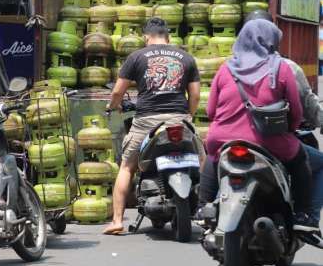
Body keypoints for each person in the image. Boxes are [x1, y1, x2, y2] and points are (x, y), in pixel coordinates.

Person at [197, 19, 318, 232]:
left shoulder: (226, 68)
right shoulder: (281, 68)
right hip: (269, 140)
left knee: (213, 157)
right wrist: (290, 129)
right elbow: (297, 111)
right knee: (301, 160)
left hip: (223, 138)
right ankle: (303, 215)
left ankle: (202, 207)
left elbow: (210, 111)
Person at [104, 17, 201, 235]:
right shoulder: (186, 57)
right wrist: (189, 116)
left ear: (146, 37)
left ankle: (117, 221)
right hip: (178, 119)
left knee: (127, 167)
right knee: (202, 160)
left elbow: (118, 92)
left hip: (146, 121)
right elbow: (195, 95)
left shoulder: (136, 56)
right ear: (168, 36)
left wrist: (112, 106)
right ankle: (207, 211)